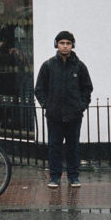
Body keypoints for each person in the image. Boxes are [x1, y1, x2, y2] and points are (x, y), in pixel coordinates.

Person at [34, 30, 93, 188]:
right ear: (56, 45)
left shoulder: (80, 66)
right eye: (62, 43)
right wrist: (47, 104)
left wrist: (81, 106)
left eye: (68, 43)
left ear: (72, 45)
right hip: (54, 115)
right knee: (54, 146)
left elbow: (87, 88)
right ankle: (54, 177)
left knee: (73, 146)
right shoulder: (48, 66)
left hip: (74, 115)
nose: (65, 46)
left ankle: (73, 176)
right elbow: (39, 88)